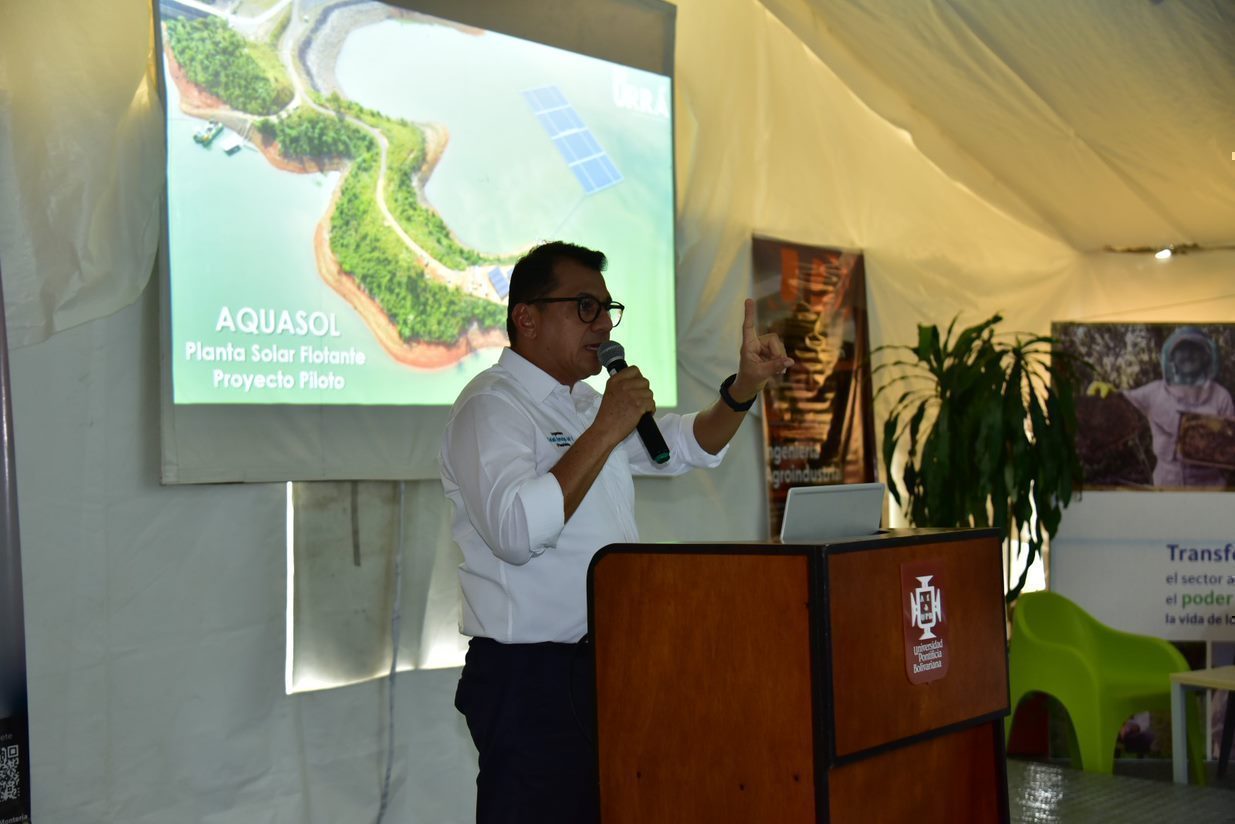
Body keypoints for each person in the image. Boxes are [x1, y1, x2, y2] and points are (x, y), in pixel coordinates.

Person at [439, 240, 793, 823]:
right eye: (584, 307)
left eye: (607, 309)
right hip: (529, 679)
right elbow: (515, 530)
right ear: (526, 317)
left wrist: (744, 388)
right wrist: (606, 427)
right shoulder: (490, 409)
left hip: (607, 664)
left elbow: (682, 445)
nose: (603, 324)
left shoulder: (581, 405)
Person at [1089, 326, 1234, 488]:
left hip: (1209, 487)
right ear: (1171, 357)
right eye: (1182, 350)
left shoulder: (1221, 396)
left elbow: (1230, 442)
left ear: (1205, 356)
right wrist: (1108, 393)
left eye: (1195, 349)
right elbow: (1124, 403)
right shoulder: (1154, 391)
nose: (1188, 355)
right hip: (1166, 484)